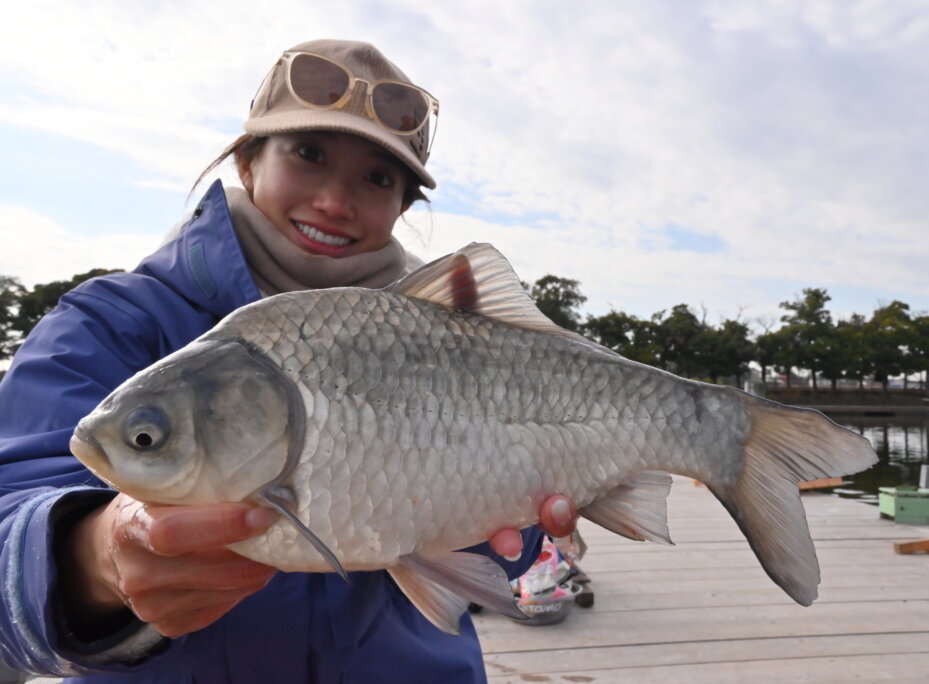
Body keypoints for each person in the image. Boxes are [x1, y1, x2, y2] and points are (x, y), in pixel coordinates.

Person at [0, 39, 577, 683]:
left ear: (403, 206)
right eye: (309, 154)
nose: (335, 200)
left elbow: (502, 554)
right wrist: (90, 561)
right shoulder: (109, 322)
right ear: (248, 161)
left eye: (377, 178)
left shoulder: (456, 335)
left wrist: (507, 521)